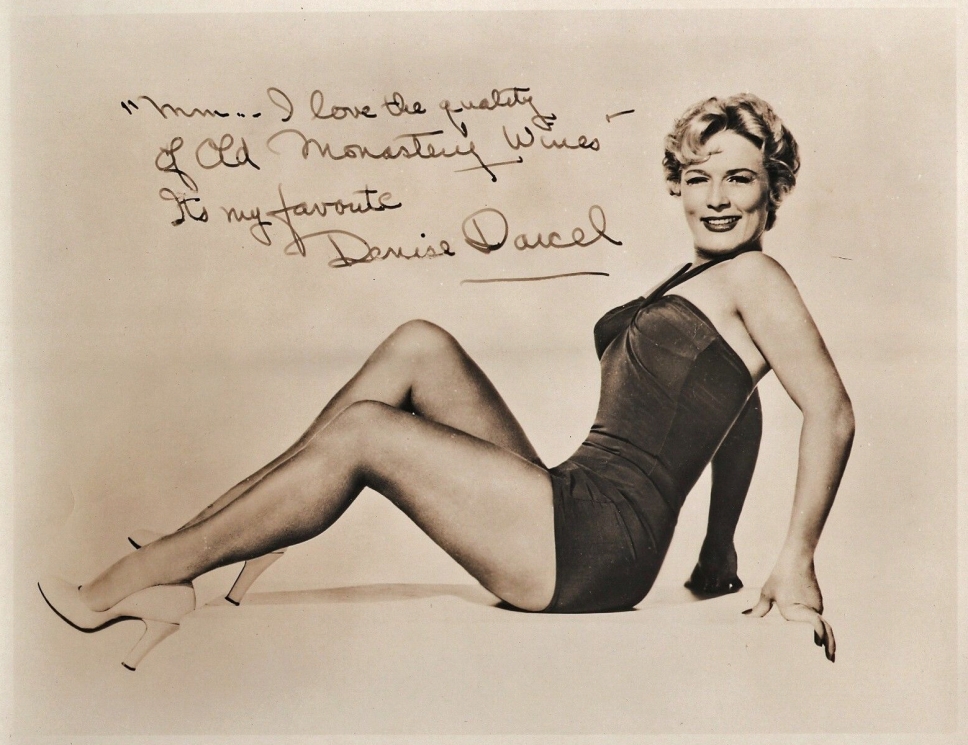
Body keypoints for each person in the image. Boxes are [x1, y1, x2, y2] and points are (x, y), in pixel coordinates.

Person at [38, 93, 854, 670]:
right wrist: (716, 551)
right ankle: (236, 527)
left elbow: (831, 411)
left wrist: (798, 560)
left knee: (367, 432)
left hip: (597, 545)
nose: (717, 198)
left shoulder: (758, 276)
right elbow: (738, 406)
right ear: (676, 182)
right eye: (700, 176)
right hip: (574, 502)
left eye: (739, 178)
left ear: (772, 188)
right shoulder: (703, 281)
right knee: (420, 344)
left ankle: (138, 581)